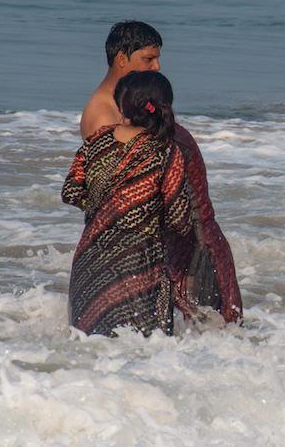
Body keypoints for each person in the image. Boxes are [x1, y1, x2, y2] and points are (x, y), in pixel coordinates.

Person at [80, 21, 243, 323]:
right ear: (121, 59)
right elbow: (112, 194)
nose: (157, 66)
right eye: (148, 59)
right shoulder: (105, 115)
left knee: (202, 327)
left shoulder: (136, 102)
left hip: (168, 236)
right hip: (143, 246)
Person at [62, 72, 193, 335]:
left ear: (121, 105)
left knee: (87, 352)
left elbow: (71, 191)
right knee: (143, 355)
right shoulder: (166, 151)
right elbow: (180, 218)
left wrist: (105, 212)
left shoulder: (96, 141)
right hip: (140, 266)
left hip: (90, 263)